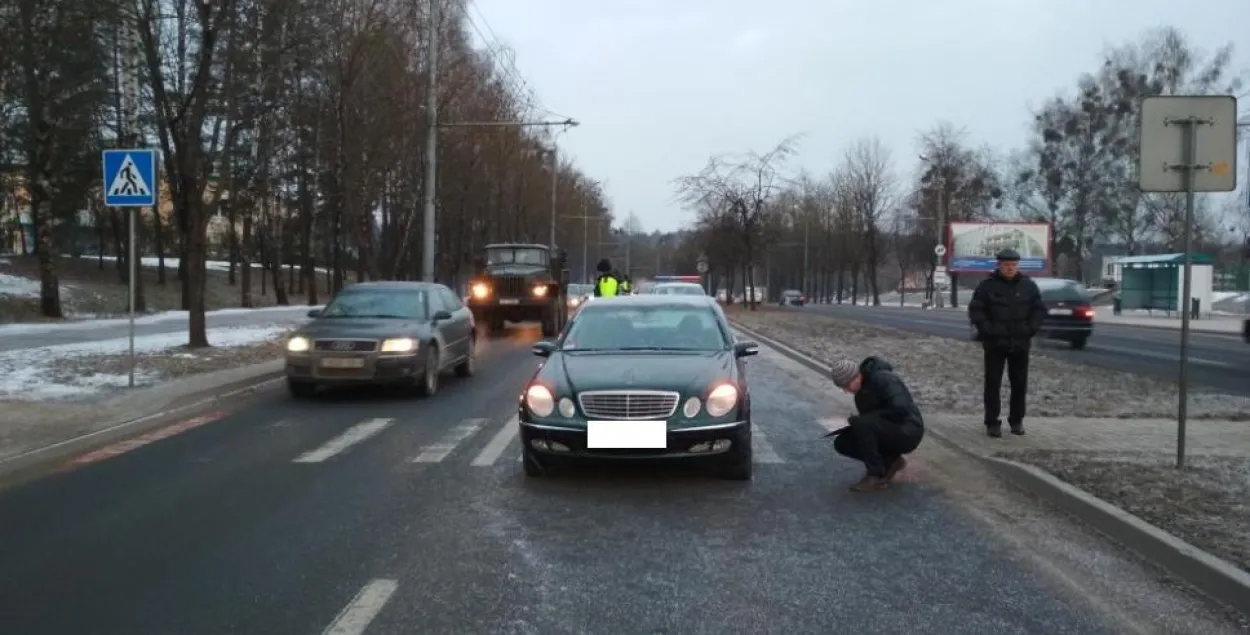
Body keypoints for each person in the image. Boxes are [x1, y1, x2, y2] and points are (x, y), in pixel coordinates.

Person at [967, 248, 1047, 438]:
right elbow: (976, 309)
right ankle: (992, 422)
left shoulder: (1028, 286)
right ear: (999, 265)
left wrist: (1030, 328)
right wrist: (987, 329)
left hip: (1020, 342)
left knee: (1019, 384)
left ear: (1017, 266)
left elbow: (1039, 309)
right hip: (995, 343)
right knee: (992, 384)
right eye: (1006, 265)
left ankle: (1016, 421)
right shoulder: (987, 286)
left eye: (1013, 265)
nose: (1010, 268)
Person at [826, 356, 925, 492]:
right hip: (890, 430)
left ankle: (875, 475)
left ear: (856, 377)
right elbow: (870, 429)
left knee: (862, 423)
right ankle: (891, 461)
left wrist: (865, 420)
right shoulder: (860, 396)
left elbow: (902, 408)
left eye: (846, 386)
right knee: (842, 442)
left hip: (909, 429)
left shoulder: (885, 379)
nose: (846, 391)